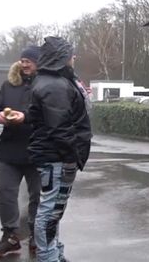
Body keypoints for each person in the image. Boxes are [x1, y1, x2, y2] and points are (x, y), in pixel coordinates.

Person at [28, 37, 92, 262]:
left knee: (54, 210)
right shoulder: (53, 85)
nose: (74, 57)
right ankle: (48, 256)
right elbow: (60, 128)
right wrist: (71, 157)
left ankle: (55, 252)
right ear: (61, 57)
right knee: (50, 211)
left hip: (56, 156)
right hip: (57, 157)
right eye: (71, 54)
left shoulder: (55, 80)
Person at [0, 46, 41, 257]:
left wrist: (26, 118)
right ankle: (10, 236)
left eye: (29, 60)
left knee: (38, 196)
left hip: (38, 149)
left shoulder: (46, 85)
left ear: (39, 63)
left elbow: (51, 114)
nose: (24, 63)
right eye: (22, 60)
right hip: (10, 150)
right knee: (5, 193)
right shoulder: (9, 85)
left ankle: (37, 235)